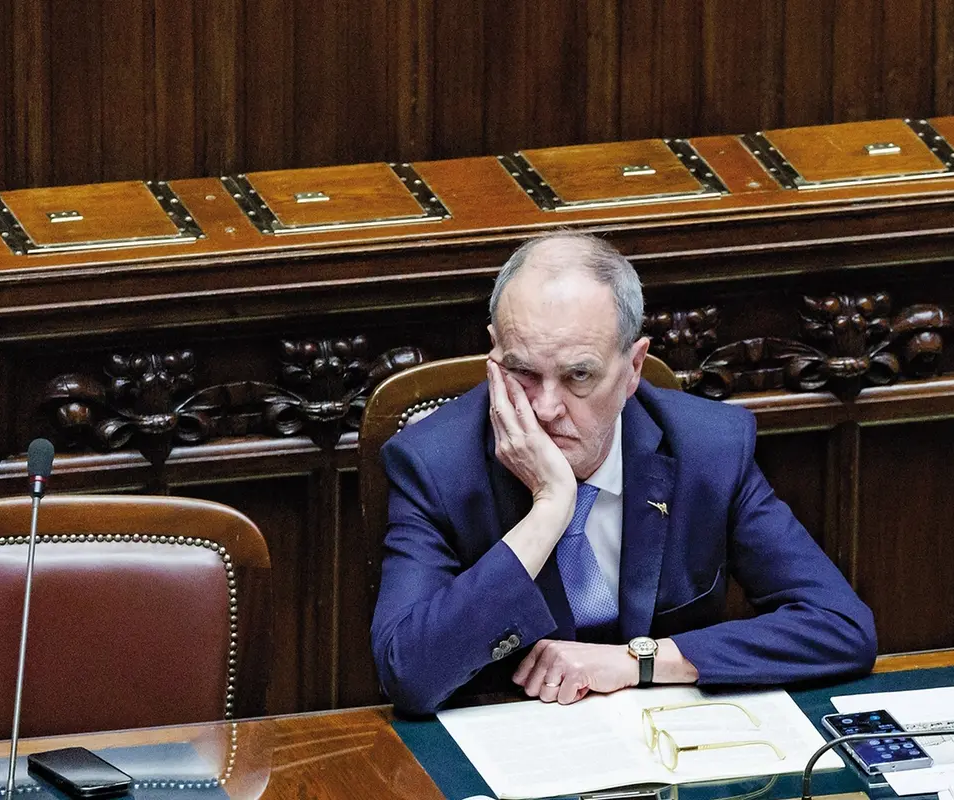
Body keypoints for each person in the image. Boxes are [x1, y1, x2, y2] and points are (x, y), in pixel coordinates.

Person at [371, 232, 876, 715]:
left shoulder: (707, 448)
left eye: (579, 375)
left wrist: (641, 661)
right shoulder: (433, 465)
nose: (546, 408)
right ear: (494, 353)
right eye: (523, 372)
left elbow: (840, 627)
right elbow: (408, 674)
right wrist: (548, 509)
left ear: (634, 367)